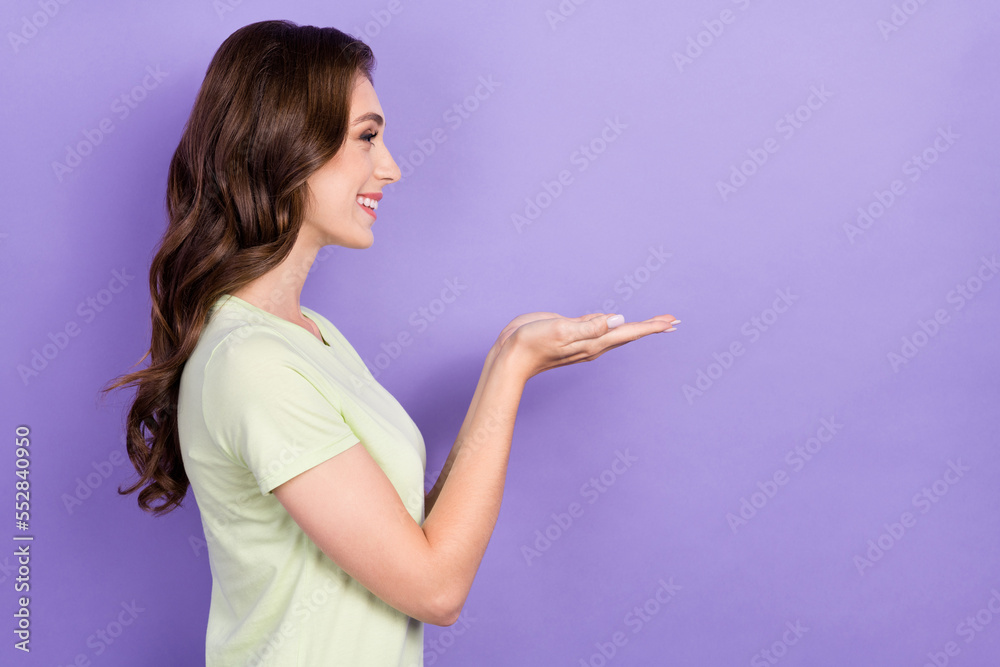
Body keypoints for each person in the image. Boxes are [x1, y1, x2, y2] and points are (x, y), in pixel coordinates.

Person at [103, 19, 680, 667]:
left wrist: (503, 356)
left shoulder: (312, 338)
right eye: (366, 138)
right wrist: (515, 367)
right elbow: (436, 589)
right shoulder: (251, 364)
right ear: (286, 143)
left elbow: (406, 545)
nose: (392, 167)